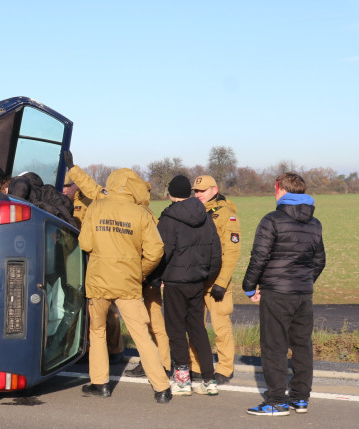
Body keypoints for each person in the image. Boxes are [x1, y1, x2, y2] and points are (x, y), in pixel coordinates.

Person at [65, 152, 170, 370]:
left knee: (152, 323)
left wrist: (143, 273)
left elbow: (156, 249)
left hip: (141, 277)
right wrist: (73, 169)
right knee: (141, 326)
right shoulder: (122, 205)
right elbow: (94, 190)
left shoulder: (143, 213)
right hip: (131, 276)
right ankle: (158, 376)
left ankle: (163, 364)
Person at [242, 172, 325, 416]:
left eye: (274, 188)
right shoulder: (314, 223)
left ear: (280, 189)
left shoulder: (272, 220)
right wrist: (305, 281)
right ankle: (300, 398)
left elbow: (259, 257)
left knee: (274, 346)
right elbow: (320, 260)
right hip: (303, 293)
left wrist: (249, 287)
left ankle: (276, 401)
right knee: (302, 345)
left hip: (277, 293)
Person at [155, 175, 222, 396]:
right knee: (198, 328)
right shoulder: (205, 215)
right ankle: (209, 380)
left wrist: (157, 278)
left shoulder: (168, 218)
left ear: (170, 194)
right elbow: (216, 252)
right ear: (189, 193)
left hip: (175, 282)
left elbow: (162, 253)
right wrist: (206, 275)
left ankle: (182, 381)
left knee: (175, 330)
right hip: (197, 281)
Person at [191, 174, 243, 384]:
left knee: (221, 326)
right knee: (195, 325)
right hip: (196, 278)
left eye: (202, 190)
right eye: (196, 191)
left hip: (216, 281)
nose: (198, 194)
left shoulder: (226, 215)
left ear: (215, 189)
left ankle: (224, 368)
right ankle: (196, 365)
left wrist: (222, 283)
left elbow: (232, 252)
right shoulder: (195, 212)